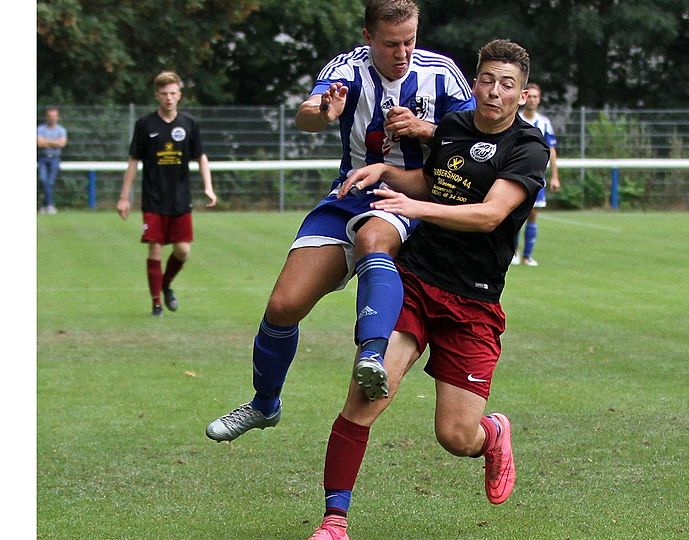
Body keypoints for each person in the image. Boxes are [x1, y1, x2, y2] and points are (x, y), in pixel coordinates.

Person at [304, 37, 546, 540]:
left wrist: (417, 209)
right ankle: (334, 521)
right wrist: (387, 172)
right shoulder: (455, 126)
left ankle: (493, 434)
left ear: (522, 94)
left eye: (507, 85)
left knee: (456, 436)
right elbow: (429, 181)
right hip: (415, 281)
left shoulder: (528, 148)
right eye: (486, 80)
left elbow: (489, 214)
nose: (494, 92)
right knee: (367, 394)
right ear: (474, 81)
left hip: (474, 301)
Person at [205, 0, 474, 442]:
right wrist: (324, 113)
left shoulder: (441, 72)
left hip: (408, 194)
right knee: (282, 306)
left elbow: (478, 133)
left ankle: (372, 351)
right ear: (368, 38)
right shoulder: (347, 68)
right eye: (391, 44)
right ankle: (264, 403)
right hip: (349, 194)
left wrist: (427, 130)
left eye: (410, 40)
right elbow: (308, 114)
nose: (403, 53)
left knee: (375, 236)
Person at [117, 71, 217, 317]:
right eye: (164, 94)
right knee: (155, 249)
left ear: (179, 95)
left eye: (173, 93)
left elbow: (201, 157)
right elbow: (133, 161)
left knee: (183, 250)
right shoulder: (145, 125)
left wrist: (208, 186)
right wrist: (123, 196)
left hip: (180, 198)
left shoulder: (189, 124)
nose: (169, 98)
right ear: (157, 96)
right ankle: (156, 303)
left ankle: (164, 284)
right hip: (153, 199)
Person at [512, 82, 560, 266]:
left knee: (533, 214)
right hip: (517, 173)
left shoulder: (544, 123)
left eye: (536, 97)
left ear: (539, 100)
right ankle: (514, 252)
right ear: (524, 97)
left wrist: (555, 176)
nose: (532, 100)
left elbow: (552, 150)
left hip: (538, 176)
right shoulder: (515, 119)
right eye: (529, 96)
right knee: (515, 213)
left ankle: (527, 255)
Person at [37, 107, 68, 214]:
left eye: (54, 116)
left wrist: (47, 141)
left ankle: (45, 205)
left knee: (50, 182)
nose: (52, 118)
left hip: (55, 158)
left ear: (57, 117)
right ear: (47, 117)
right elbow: (39, 143)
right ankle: (49, 205)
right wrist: (55, 142)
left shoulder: (61, 130)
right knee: (43, 180)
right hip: (43, 158)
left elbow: (62, 144)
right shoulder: (40, 129)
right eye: (50, 116)